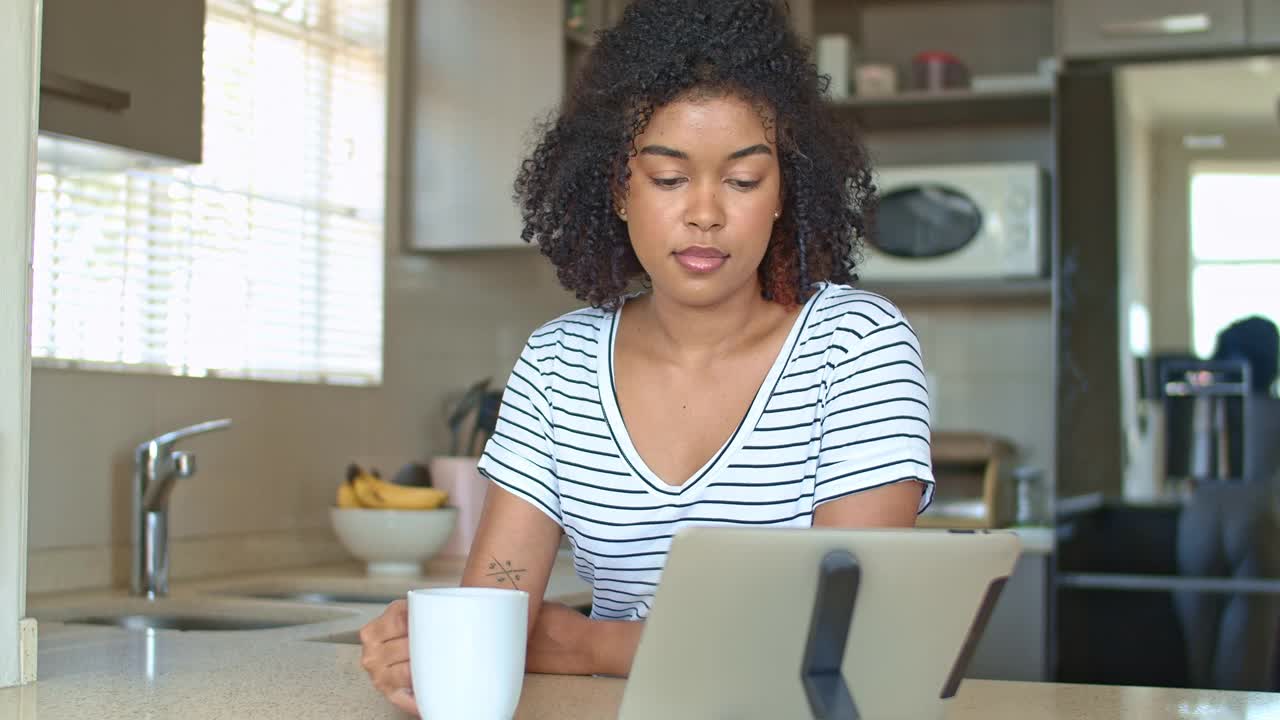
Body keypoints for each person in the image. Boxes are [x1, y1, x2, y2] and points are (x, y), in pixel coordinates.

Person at [360, 1, 934, 713]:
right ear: (617, 190)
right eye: (668, 178)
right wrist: (423, 659)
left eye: (744, 180)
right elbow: (497, 619)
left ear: (785, 191)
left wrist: (592, 645)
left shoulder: (856, 347)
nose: (705, 212)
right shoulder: (557, 366)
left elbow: (846, 636)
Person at [1174, 315, 1280, 691]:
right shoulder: (1273, 411)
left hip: (1198, 518)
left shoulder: (1199, 406)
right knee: (1248, 647)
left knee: (1197, 651)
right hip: (1255, 516)